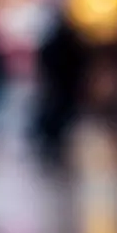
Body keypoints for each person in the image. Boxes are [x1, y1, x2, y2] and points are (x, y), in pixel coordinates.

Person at [31, 11, 89, 169]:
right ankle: (52, 137)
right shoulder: (72, 42)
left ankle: (51, 138)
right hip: (64, 84)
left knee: (57, 110)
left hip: (59, 84)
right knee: (60, 111)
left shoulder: (55, 42)